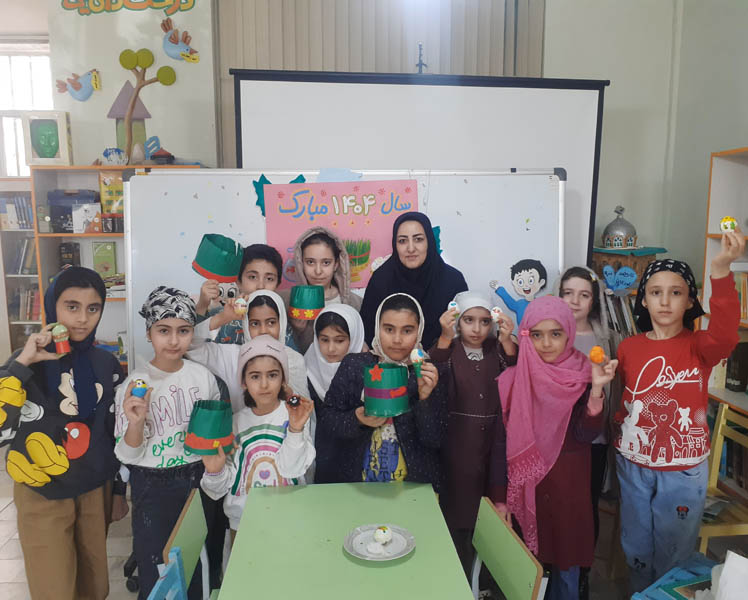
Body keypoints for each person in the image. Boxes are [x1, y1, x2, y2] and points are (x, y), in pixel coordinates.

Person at [613, 229, 744, 593]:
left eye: (676, 292)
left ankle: (667, 594)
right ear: (643, 300)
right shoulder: (628, 348)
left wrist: (721, 270)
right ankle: (643, 595)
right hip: (634, 464)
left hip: (683, 470)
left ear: (689, 301)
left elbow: (726, 336)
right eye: (656, 292)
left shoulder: (700, 345)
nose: (665, 301)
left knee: (675, 553)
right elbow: (626, 403)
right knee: (636, 547)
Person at [0, 267, 126, 600]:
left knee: (94, 585)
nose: (82, 319)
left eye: (93, 308)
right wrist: (23, 364)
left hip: (94, 488)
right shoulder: (24, 364)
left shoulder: (107, 365)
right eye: (72, 306)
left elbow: (114, 432)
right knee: (53, 588)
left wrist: (118, 490)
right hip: (42, 492)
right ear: (52, 305)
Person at [489, 296, 617, 600]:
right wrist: (500, 499)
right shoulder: (511, 381)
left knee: (566, 575)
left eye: (555, 334)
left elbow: (585, 434)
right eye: (537, 334)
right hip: (527, 492)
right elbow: (499, 443)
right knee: (528, 577)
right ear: (525, 335)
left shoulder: (583, 374)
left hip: (567, 494)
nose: (546, 343)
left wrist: (597, 390)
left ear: (568, 333)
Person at [114, 286, 226, 599]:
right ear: (149, 333)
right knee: (157, 565)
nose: (174, 341)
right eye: (164, 330)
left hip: (196, 480)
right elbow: (128, 453)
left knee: (198, 561)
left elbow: (214, 440)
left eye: (183, 330)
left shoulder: (203, 378)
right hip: (151, 485)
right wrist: (136, 423)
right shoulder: (134, 385)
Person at [428, 291, 517, 575]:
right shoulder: (450, 348)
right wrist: (445, 336)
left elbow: (516, 369)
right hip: (457, 445)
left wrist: (506, 339)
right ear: (457, 321)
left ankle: (485, 577)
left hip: (494, 444)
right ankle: (456, 572)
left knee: (488, 510)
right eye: (468, 320)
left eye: (483, 321)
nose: (477, 328)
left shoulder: (496, 348)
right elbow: (433, 371)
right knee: (457, 509)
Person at [320, 293, 447, 488]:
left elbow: (435, 440)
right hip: (358, 483)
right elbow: (328, 420)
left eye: (407, 330)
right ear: (377, 328)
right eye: (389, 329)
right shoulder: (355, 365)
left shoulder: (426, 373)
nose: (397, 339)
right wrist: (357, 418)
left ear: (420, 330)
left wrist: (425, 398)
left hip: (412, 487)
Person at [200, 336, 315, 535]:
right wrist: (214, 471)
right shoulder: (234, 424)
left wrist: (295, 430)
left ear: (283, 379)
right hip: (242, 523)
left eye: (272, 375)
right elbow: (219, 489)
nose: (264, 384)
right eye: (255, 376)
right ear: (243, 382)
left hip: (290, 517)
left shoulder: (295, 417)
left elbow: (292, 469)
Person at [555, 265, 616, 593]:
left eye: (584, 295)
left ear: (594, 300)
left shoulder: (604, 337)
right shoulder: (549, 332)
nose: (575, 301)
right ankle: (556, 567)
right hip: (558, 438)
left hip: (594, 437)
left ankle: (583, 571)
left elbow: (611, 386)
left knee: (587, 503)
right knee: (559, 503)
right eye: (568, 293)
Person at [188, 289, 310, 412]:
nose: (263, 331)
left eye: (271, 322)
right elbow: (189, 345)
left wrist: (287, 392)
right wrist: (223, 318)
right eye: (255, 324)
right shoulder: (232, 356)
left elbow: (306, 411)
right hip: (240, 424)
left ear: (281, 323)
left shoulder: (294, 359)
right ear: (246, 325)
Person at [360, 212, 467, 350]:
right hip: (389, 361)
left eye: (418, 239)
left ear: (429, 241)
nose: (411, 248)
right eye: (402, 241)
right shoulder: (381, 281)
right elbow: (367, 335)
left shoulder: (453, 281)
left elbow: (464, 334)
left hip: (443, 359)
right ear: (395, 245)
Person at [303, 304, 365, 483]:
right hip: (322, 457)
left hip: (359, 458)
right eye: (324, 340)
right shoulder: (307, 369)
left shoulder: (367, 370)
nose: (331, 349)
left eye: (339, 340)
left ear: (354, 338)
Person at [280, 227, 362, 353]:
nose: (318, 271)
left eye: (326, 263)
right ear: (301, 263)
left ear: (336, 264)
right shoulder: (286, 301)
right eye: (310, 262)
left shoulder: (354, 303)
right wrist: (296, 330)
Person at [195, 243, 283, 345]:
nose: (261, 286)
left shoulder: (281, 321)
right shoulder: (219, 315)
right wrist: (203, 304)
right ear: (238, 281)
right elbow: (193, 345)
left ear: (278, 284)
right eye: (252, 277)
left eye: (269, 279)